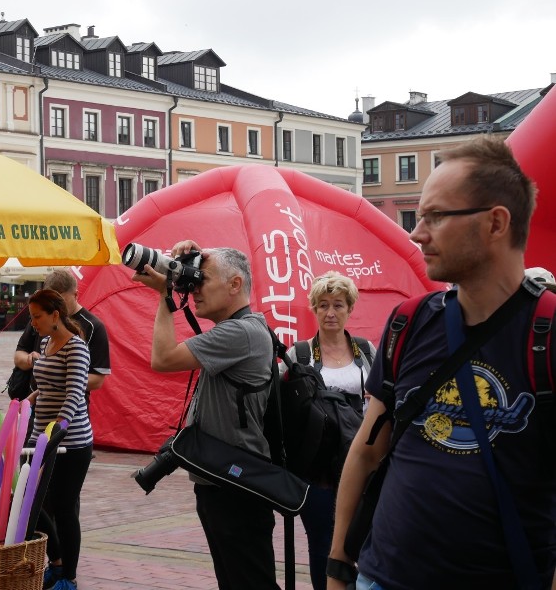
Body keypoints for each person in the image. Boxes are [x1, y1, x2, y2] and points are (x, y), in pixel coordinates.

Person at [328, 136, 556, 589]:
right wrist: (338, 564)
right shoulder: (408, 323)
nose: (417, 232)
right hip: (381, 577)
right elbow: (369, 449)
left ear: (495, 223)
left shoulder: (548, 332)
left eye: (436, 216)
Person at [132, 242, 280, 590]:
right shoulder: (244, 329)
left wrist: (164, 295)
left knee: (249, 583)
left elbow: (163, 359)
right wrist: (189, 261)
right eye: (193, 280)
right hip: (222, 481)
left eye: (203, 279)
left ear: (235, 285)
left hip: (237, 485)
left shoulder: (241, 332)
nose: (194, 288)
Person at [282, 271, 375, 590]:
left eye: (338, 305)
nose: (331, 312)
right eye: (323, 305)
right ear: (314, 309)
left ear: (350, 309)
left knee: (362, 540)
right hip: (317, 466)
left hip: (359, 459)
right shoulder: (300, 354)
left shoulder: (365, 351)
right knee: (322, 541)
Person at [27, 289, 92, 590]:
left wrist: (59, 427)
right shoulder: (45, 343)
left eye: (37, 317)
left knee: (64, 508)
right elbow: (49, 385)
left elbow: (74, 392)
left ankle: (70, 577)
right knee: (28, 500)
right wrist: (31, 399)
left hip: (71, 442)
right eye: (31, 317)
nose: (33, 323)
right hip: (41, 436)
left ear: (55, 314)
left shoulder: (76, 347)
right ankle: (56, 561)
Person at [14, 269, 111, 404]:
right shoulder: (40, 319)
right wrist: (30, 360)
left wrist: (55, 376)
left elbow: (97, 380)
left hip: (73, 411)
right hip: (37, 409)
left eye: (61, 302)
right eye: (50, 303)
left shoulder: (94, 326)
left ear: (76, 295)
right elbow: (19, 355)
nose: (56, 309)